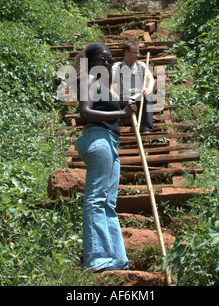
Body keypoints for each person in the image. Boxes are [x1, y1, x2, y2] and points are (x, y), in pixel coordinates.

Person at [74, 43, 137, 272]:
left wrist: (127, 106)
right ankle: (97, 259)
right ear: (90, 62)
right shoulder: (88, 80)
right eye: (102, 59)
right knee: (96, 199)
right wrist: (122, 112)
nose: (107, 64)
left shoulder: (105, 86)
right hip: (97, 139)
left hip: (110, 142)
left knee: (108, 203)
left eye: (111, 60)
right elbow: (86, 112)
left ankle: (118, 260)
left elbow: (117, 109)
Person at [112, 41, 155, 133]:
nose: (137, 55)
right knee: (109, 100)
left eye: (138, 52)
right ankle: (112, 129)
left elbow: (151, 79)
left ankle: (147, 129)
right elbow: (108, 82)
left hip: (139, 98)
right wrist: (112, 91)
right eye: (135, 52)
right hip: (123, 100)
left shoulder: (141, 66)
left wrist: (149, 88)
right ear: (126, 53)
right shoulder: (117, 67)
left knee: (148, 97)